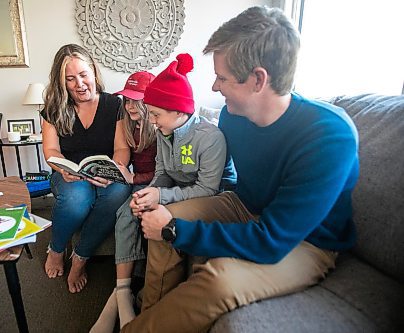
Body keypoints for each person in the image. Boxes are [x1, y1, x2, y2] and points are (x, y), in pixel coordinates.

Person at [121, 6, 359, 333]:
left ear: (258, 79)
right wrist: (167, 214)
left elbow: (272, 240)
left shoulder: (329, 137)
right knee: (164, 214)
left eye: (222, 78)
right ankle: (153, 311)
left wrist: (175, 229)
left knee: (220, 281)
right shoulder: (232, 118)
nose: (215, 88)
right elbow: (213, 178)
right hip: (243, 204)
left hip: (307, 240)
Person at [92, 53, 234, 332]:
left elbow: (208, 189)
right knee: (139, 208)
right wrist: (150, 192)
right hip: (181, 190)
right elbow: (163, 173)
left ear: (179, 111)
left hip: (212, 197)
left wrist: (162, 197)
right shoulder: (165, 132)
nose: (152, 121)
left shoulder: (210, 138)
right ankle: (133, 297)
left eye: (156, 114)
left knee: (161, 216)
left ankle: (147, 309)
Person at [41, 44, 131, 293]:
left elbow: (122, 149)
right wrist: (63, 170)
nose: (79, 84)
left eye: (83, 75)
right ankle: (57, 249)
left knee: (119, 193)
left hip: (105, 170)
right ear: (62, 83)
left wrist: (114, 168)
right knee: (77, 197)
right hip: (68, 174)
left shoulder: (115, 104)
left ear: (93, 72)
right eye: (70, 79)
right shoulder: (53, 108)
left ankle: (80, 258)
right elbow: (50, 151)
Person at [90, 70, 157, 332]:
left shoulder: (159, 125)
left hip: (155, 183)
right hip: (135, 181)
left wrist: (133, 178)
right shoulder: (127, 122)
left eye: (135, 101)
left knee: (133, 212)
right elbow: (124, 158)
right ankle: (121, 292)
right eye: (126, 101)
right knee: (124, 214)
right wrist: (112, 172)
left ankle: (120, 295)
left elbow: (164, 170)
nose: (129, 106)